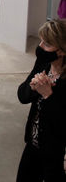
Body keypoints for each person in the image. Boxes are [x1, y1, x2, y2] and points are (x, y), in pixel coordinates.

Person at [15, 19, 66, 181]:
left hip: (55, 154)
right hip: (33, 144)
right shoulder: (44, 63)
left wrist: (48, 95)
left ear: (62, 51)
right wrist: (33, 87)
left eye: (47, 44)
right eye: (41, 41)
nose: (40, 47)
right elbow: (22, 96)